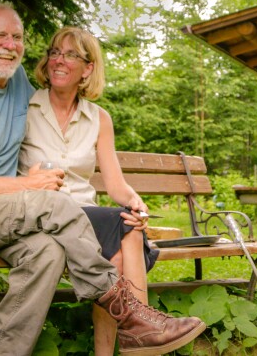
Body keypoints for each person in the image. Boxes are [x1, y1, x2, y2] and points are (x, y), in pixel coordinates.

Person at [0, 1, 204, 356]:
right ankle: (131, 317)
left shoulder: (15, 85)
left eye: (17, 36)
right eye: (0, 35)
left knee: (46, 253)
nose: (10, 44)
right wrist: (26, 185)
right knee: (54, 202)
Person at [19, 27, 157, 355]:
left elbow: (114, 185)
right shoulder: (24, 106)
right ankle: (145, 335)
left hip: (86, 216)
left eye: (70, 55)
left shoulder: (99, 118)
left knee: (124, 240)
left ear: (88, 68)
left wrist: (137, 204)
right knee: (122, 228)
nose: (58, 61)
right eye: (54, 52)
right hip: (39, 212)